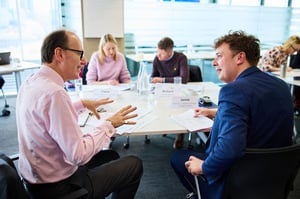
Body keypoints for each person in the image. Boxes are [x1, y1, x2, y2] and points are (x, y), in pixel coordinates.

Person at [16, 29, 143, 199]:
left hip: (35, 181)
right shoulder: (55, 94)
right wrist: (109, 124)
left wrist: (80, 104)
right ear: (59, 54)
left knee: (111, 156)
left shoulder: (32, 82)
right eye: (79, 53)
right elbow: (79, 155)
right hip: (61, 188)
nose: (84, 61)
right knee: (135, 164)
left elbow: (43, 115)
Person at [170, 30, 294, 199]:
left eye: (219, 56)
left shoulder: (233, 91)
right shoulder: (281, 86)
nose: (214, 63)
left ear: (240, 58)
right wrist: (217, 113)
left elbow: (230, 149)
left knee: (178, 157)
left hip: (238, 179)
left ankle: (207, 193)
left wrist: (204, 167)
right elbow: (258, 114)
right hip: (275, 178)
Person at [151, 36, 189, 149]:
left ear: (169, 52)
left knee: (179, 108)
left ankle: (180, 135)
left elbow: (184, 79)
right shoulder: (157, 59)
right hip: (163, 92)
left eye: (161, 54)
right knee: (159, 106)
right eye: (157, 53)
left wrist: (162, 80)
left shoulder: (181, 58)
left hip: (178, 92)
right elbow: (153, 77)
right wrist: (157, 81)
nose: (158, 56)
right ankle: (165, 126)